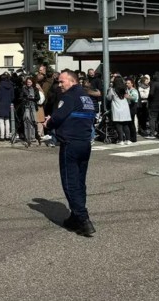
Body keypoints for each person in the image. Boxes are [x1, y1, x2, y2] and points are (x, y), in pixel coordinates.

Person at [45, 70, 96, 237]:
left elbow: (58, 117)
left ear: (72, 81)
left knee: (70, 182)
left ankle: (83, 219)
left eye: (62, 82)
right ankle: (75, 217)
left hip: (70, 144)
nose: (59, 85)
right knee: (80, 182)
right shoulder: (86, 97)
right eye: (59, 82)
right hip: (84, 143)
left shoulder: (68, 97)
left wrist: (49, 123)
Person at [107, 77, 132, 145]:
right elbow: (128, 96)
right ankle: (128, 139)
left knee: (118, 125)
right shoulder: (125, 88)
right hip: (125, 108)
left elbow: (109, 98)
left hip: (117, 108)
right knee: (125, 125)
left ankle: (121, 140)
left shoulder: (112, 89)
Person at [19, 76, 42, 147]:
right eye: (27, 82)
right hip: (26, 107)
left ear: (32, 82)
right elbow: (20, 97)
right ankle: (27, 137)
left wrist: (33, 98)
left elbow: (38, 98)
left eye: (30, 82)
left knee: (33, 121)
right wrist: (26, 98)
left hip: (33, 107)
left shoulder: (35, 89)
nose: (28, 83)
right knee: (26, 121)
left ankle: (33, 137)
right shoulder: (23, 88)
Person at [0, 74, 14, 141]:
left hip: (1, 104)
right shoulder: (11, 86)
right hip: (8, 104)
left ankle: (2, 136)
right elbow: (12, 97)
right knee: (7, 120)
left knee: (1, 120)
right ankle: (7, 135)